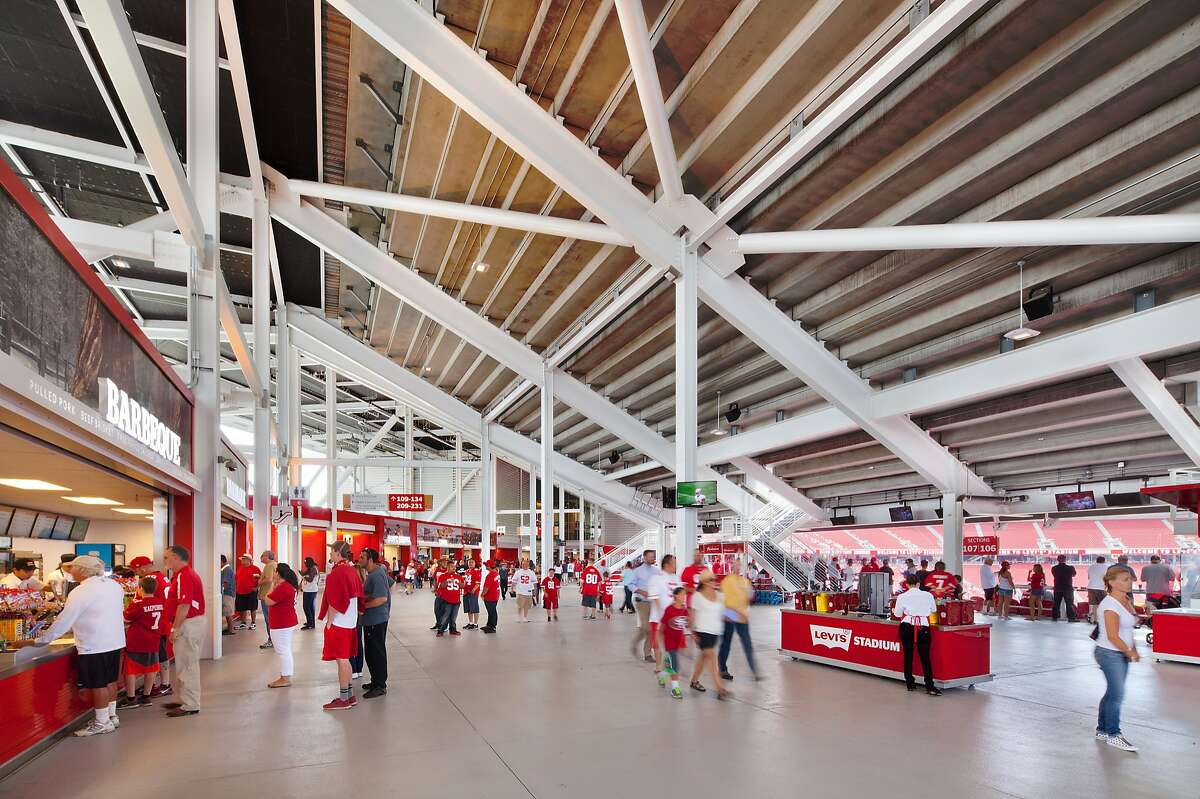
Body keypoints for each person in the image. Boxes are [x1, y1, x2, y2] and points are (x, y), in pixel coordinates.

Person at [14, 555, 124, 736]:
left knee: (98, 685)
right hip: (114, 640)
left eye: (72, 567)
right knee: (110, 681)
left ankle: (102, 722)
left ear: (82, 570)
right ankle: (111, 717)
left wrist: (39, 640)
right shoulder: (113, 585)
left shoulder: (81, 591)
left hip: (94, 644)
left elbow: (64, 620)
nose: (69, 571)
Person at [1094, 565, 1140, 752]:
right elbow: (1112, 635)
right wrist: (1129, 651)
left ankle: (1102, 729)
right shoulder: (1110, 605)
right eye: (1124, 579)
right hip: (1109, 653)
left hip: (1121, 652)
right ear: (1111, 582)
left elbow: (1128, 630)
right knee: (1117, 694)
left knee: (1112, 692)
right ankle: (1114, 734)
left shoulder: (1126, 600)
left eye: (1129, 579)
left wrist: (1132, 648)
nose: (1129, 582)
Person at [320, 540, 364, 711]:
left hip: (340, 623)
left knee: (342, 660)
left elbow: (335, 600)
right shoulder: (352, 570)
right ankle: (350, 695)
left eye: (332, 551)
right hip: (350, 621)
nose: (330, 554)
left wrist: (329, 622)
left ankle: (343, 698)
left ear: (338, 552)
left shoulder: (337, 573)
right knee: (345, 659)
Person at [162, 545, 204, 718]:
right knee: (184, 663)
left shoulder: (185, 576)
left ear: (176, 558)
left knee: (187, 665)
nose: (164, 560)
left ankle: (190, 704)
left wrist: (175, 628)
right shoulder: (181, 575)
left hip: (187, 624)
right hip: (188, 623)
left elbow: (184, 605)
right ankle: (185, 698)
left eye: (166, 557)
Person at [117, 575, 165, 711]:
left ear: (140, 589)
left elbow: (125, 618)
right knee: (151, 668)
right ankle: (146, 696)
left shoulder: (138, 604)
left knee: (130, 671)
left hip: (137, 642)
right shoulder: (159, 603)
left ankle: (131, 698)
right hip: (153, 641)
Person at [891, 573, 941, 696]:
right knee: (925, 657)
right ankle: (929, 686)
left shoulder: (902, 596)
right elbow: (933, 610)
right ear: (919, 584)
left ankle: (910, 683)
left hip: (907, 626)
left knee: (908, 656)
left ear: (907, 584)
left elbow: (897, 614)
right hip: (923, 627)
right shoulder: (928, 595)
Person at [688, 571, 729, 699]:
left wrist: (738, 616)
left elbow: (725, 613)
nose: (714, 581)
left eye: (714, 579)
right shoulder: (697, 596)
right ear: (704, 582)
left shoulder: (719, 596)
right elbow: (692, 616)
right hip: (702, 632)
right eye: (711, 579)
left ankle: (694, 681)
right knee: (711, 657)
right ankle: (719, 688)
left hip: (715, 632)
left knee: (703, 658)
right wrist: (692, 632)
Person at [718, 560, 758, 682]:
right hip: (730, 614)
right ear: (731, 567)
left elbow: (749, 596)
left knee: (747, 643)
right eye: (735, 565)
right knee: (726, 643)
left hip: (741, 616)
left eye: (739, 565)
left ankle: (754, 670)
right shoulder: (726, 581)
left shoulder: (744, 582)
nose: (737, 567)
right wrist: (738, 613)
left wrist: (750, 595)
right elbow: (725, 601)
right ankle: (722, 668)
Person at [358, 549, 391, 697]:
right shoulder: (374, 573)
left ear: (370, 559)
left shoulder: (376, 575)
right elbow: (387, 585)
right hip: (372, 620)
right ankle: (375, 680)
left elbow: (382, 598)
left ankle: (380, 685)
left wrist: (363, 607)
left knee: (376, 652)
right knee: (370, 653)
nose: (359, 559)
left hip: (376, 620)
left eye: (362, 557)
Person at [263, 563, 299, 689]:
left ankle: (285, 678)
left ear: (278, 573)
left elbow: (267, 600)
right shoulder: (288, 586)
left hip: (282, 624)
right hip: (284, 623)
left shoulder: (283, 587)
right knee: (285, 650)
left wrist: (272, 585)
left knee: (283, 651)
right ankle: (285, 676)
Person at [647, 555, 681, 677]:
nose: (676, 566)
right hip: (658, 617)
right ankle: (658, 665)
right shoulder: (656, 578)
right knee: (658, 643)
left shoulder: (677, 578)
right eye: (674, 563)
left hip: (674, 619)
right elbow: (655, 598)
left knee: (673, 644)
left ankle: (668, 660)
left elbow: (681, 597)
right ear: (667, 565)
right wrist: (663, 615)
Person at [630, 551, 660, 660]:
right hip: (641, 602)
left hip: (653, 603)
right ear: (645, 557)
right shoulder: (637, 571)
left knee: (651, 629)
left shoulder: (656, 571)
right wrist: (640, 591)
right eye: (651, 557)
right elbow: (630, 584)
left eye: (654, 557)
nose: (653, 558)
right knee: (646, 627)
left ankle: (647, 654)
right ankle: (635, 643)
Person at [660, 587, 688, 699]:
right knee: (675, 665)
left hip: (677, 642)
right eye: (681, 595)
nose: (684, 597)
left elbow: (685, 625)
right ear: (676, 596)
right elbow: (661, 628)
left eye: (685, 595)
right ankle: (675, 689)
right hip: (669, 642)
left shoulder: (684, 610)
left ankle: (661, 675)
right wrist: (661, 644)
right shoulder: (669, 610)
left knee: (670, 665)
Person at [435, 560, 463, 636]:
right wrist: (447, 581)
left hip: (456, 600)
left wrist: (459, 583)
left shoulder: (458, 576)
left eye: (454, 567)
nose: (454, 568)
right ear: (447, 567)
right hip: (446, 600)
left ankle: (453, 630)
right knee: (445, 616)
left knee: (454, 617)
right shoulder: (443, 576)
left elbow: (463, 586)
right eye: (451, 567)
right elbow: (440, 586)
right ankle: (440, 630)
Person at [257, 550, 278, 650]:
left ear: (267, 556)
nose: (261, 557)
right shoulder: (275, 564)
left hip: (266, 595)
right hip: (271, 595)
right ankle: (274, 639)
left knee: (268, 619)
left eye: (262, 556)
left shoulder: (269, 566)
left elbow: (269, 579)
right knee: (272, 618)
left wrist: (259, 581)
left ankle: (271, 640)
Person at [234, 554, 261, 629]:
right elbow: (236, 579)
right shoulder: (240, 568)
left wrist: (256, 587)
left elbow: (259, 580)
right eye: (242, 559)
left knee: (253, 607)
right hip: (240, 591)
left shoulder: (255, 569)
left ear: (249, 560)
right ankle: (243, 623)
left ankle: (253, 623)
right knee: (242, 608)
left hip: (251, 591)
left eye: (244, 559)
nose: (242, 561)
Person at [1051, 554, 1078, 622]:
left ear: (1057, 560)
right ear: (1065, 560)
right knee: (1069, 604)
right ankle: (1071, 618)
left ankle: (1055, 617)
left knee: (1056, 603)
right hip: (1068, 588)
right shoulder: (1070, 568)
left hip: (1057, 588)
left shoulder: (1054, 568)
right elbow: (1074, 574)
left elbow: (1054, 575)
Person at [512, 558, 536, 622]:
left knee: (527, 606)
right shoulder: (518, 572)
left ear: (528, 565)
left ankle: (525, 617)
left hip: (528, 592)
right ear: (521, 565)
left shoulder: (531, 572)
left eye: (525, 564)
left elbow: (534, 583)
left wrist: (534, 592)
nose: (524, 565)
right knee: (520, 605)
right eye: (523, 564)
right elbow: (514, 581)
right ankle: (519, 617)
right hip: (520, 591)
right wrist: (512, 589)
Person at [1086, 556, 1108, 623]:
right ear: (1104, 561)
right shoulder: (1107, 567)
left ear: (1097, 560)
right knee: (1102, 604)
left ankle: (1093, 619)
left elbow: (1089, 577)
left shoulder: (1091, 567)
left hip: (1091, 587)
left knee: (1093, 604)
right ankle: (1100, 619)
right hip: (1101, 588)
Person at [481, 560, 501, 633]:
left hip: (490, 596)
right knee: (491, 611)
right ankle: (489, 625)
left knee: (492, 611)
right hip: (495, 595)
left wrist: (482, 594)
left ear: (489, 566)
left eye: (486, 565)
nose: (485, 566)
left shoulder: (490, 575)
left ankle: (492, 627)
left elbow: (486, 588)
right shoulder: (496, 573)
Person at [462, 557, 482, 630]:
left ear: (475, 563)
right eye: (469, 562)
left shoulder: (477, 571)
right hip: (466, 591)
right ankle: (470, 623)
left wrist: (473, 590)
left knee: (474, 608)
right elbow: (465, 581)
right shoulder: (467, 571)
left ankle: (475, 624)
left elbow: (478, 583)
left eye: (472, 562)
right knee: (469, 608)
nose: (470, 563)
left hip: (473, 592)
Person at [300, 557, 320, 629]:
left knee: (306, 607)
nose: (305, 564)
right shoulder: (312, 568)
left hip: (310, 591)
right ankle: (311, 622)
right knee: (310, 607)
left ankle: (310, 624)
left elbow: (310, 579)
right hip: (309, 590)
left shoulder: (313, 568)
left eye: (305, 563)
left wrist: (303, 576)